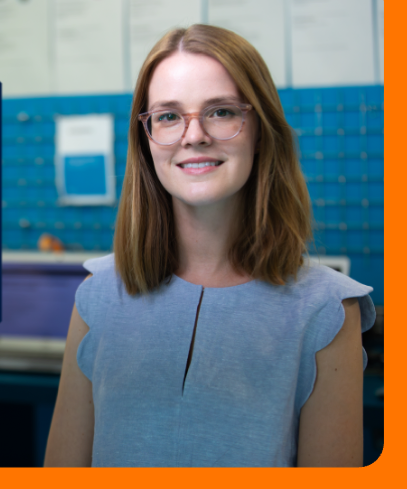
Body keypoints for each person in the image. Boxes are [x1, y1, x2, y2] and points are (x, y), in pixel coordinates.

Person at [44, 25, 374, 467]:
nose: (193, 135)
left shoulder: (328, 310)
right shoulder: (98, 294)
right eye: (167, 116)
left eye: (220, 111)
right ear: (145, 142)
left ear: (261, 132)